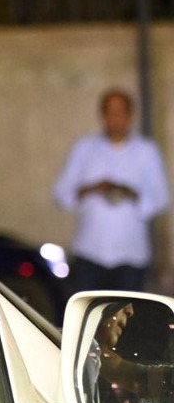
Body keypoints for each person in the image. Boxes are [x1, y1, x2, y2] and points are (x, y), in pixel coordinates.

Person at [53, 88, 170, 293]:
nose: (115, 117)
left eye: (120, 112)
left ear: (130, 115)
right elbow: (61, 194)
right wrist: (91, 188)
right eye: (110, 111)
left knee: (126, 311)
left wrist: (131, 193)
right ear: (102, 114)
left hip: (130, 255)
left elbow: (162, 198)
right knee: (88, 309)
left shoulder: (146, 151)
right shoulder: (84, 149)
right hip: (90, 252)